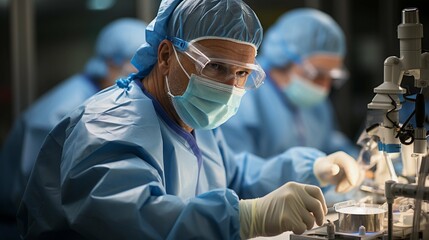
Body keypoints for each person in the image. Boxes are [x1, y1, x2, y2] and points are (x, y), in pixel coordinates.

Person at [17, 1, 362, 239]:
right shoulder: (109, 126)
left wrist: (310, 168)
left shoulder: (191, 117)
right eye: (215, 66)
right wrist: (247, 217)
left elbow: (236, 173)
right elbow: (137, 220)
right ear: (166, 55)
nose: (230, 87)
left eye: (243, 73)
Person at [0, 18, 147, 238]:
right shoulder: (61, 114)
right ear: (111, 62)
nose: (144, 78)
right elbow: (37, 199)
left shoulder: (99, 97)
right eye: (141, 66)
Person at [220, 8, 360, 159]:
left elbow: (331, 144)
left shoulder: (317, 105)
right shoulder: (242, 95)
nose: (324, 87)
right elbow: (240, 170)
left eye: (331, 78)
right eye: (317, 75)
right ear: (284, 58)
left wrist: (361, 161)